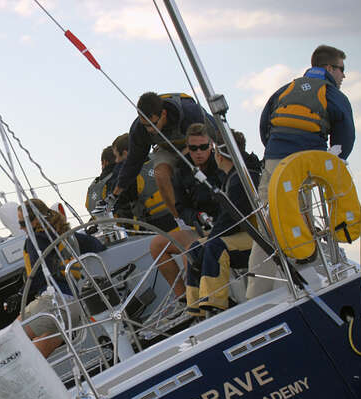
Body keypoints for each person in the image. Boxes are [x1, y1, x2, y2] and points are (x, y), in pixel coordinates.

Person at [247, 44, 355, 298]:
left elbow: (265, 125)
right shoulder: (333, 94)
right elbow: (345, 135)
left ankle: (256, 293)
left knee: (268, 224)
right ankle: (302, 279)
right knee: (299, 218)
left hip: (274, 161)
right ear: (329, 68)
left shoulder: (285, 89)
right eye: (341, 69)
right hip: (303, 163)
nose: (343, 76)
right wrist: (334, 161)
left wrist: (274, 153)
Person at [11, 199, 105, 358]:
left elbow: (38, 274)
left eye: (22, 223)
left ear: (34, 221)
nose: (21, 228)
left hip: (55, 302)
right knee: (37, 354)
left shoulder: (35, 240)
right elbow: (96, 245)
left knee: (8, 342)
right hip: (74, 306)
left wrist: (20, 294)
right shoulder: (65, 234)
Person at [185, 139, 261, 317]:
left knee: (215, 246)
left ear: (219, 155)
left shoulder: (242, 178)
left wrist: (212, 238)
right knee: (195, 248)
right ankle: (196, 308)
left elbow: (232, 220)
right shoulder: (232, 178)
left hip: (259, 236)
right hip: (244, 233)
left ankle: (215, 304)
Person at [112, 92, 215, 219]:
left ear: (164, 114)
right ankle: (181, 220)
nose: (150, 129)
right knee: (160, 174)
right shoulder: (139, 129)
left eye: (153, 124)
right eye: (146, 125)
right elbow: (133, 162)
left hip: (194, 144)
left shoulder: (190, 112)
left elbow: (218, 131)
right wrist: (116, 193)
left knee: (189, 164)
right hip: (166, 147)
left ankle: (209, 209)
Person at [149, 123, 222, 299]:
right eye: (193, 148)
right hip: (199, 227)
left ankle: (199, 301)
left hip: (223, 226)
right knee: (157, 245)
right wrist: (195, 218)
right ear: (187, 148)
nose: (198, 152)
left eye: (203, 147)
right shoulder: (182, 171)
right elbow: (181, 208)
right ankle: (183, 298)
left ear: (211, 146)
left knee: (190, 250)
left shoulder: (221, 165)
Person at [85, 146, 117, 216]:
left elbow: (88, 206)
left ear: (104, 162)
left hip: (100, 223)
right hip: (123, 223)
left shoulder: (93, 185)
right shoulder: (119, 178)